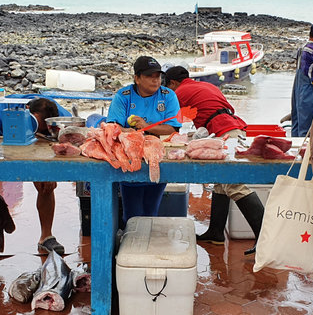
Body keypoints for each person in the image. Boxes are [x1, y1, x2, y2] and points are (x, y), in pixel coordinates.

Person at [164, 66, 264, 255]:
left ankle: (265, 240)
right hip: (234, 129)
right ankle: (216, 232)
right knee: (220, 183)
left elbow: (171, 120)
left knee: (234, 185)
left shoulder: (181, 91)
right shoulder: (206, 86)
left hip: (225, 132)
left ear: (172, 83)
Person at [0, 95, 71, 260]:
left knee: (46, 184)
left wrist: (51, 170)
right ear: (26, 111)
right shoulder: (0, 113)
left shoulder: (61, 119)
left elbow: (72, 142)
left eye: (42, 129)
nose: (36, 129)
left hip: (38, 149)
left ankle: (46, 236)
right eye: (33, 124)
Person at [106, 56, 181, 222]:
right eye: (149, 76)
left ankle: (146, 243)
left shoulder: (168, 96)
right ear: (137, 78)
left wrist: (145, 126)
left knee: (151, 210)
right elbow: (113, 126)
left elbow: (173, 128)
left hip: (157, 155)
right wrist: (133, 131)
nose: (155, 80)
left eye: (158, 76)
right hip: (131, 157)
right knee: (132, 213)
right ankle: (131, 241)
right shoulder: (123, 96)